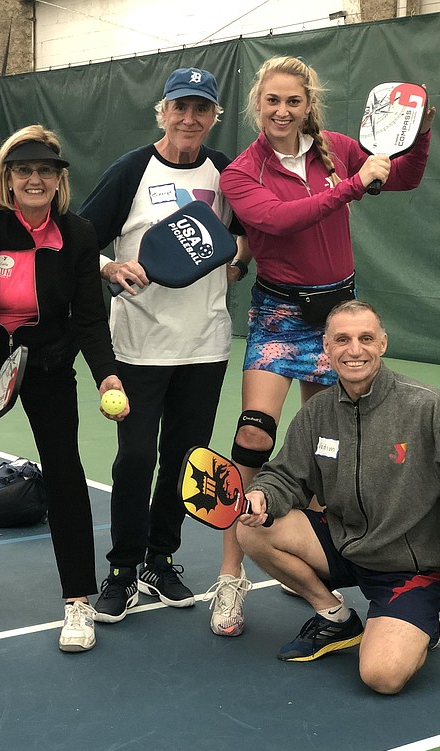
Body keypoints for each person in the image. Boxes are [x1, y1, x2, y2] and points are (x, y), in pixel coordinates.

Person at [203, 56, 435, 639]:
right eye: (272, 101)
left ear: (309, 105)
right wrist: (355, 185)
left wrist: (421, 134)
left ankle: (319, 556)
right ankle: (230, 576)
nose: (283, 111)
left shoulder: (334, 148)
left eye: (294, 101)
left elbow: (402, 178)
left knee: (327, 444)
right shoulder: (241, 173)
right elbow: (278, 222)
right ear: (257, 103)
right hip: (280, 314)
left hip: (336, 311)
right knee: (253, 436)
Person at [0, 124, 125, 653]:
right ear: (7, 179)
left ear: (59, 180)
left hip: (48, 366)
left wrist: (106, 373)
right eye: (24, 171)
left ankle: (78, 600)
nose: (34, 180)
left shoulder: (78, 234)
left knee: (65, 474)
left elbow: (87, 320)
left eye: (45, 171)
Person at [78, 67, 250, 623]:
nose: (189, 119)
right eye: (180, 107)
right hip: (138, 347)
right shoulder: (132, 169)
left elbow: (249, 232)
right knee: (134, 458)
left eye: (202, 109)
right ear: (163, 110)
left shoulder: (227, 171)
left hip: (205, 345)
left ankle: (160, 558)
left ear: (214, 116)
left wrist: (239, 261)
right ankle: (124, 567)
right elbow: (80, 238)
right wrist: (110, 267)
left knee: (185, 459)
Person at [235, 301, 440, 694]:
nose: (355, 350)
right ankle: (334, 616)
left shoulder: (426, 406)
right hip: (344, 544)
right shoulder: (319, 411)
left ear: (383, 343)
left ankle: (421, 622)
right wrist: (262, 494)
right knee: (253, 529)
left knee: (382, 677)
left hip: (408, 567)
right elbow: (286, 475)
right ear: (327, 348)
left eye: (366, 338)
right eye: (342, 340)